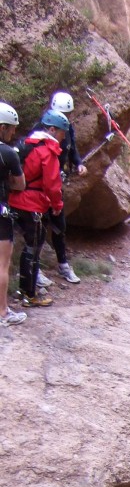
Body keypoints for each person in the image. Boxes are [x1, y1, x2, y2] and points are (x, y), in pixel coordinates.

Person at [9, 109, 71, 307]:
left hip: (15, 199)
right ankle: (30, 294)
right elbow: (52, 185)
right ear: (52, 130)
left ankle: (23, 289)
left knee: (29, 246)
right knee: (33, 248)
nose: (63, 137)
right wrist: (57, 206)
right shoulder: (47, 151)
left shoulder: (27, 143)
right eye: (62, 132)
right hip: (32, 203)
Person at [30, 91, 85, 285]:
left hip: (55, 182)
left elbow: (72, 148)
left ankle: (63, 265)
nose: (65, 118)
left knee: (59, 226)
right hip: (39, 186)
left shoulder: (67, 128)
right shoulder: (41, 130)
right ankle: (35, 271)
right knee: (39, 227)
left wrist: (77, 163)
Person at [0, 102, 26, 326]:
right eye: (11, 128)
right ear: (1, 128)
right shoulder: (8, 153)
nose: (13, 132)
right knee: (2, 265)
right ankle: (2, 312)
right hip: (1, 214)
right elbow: (19, 185)